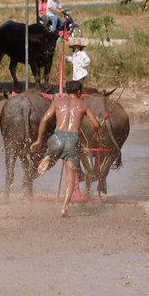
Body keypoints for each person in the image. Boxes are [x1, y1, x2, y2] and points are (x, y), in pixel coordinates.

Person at [30, 81, 100, 217]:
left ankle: (49, 157)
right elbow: (96, 124)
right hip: (72, 141)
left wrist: (39, 140)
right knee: (70, 177)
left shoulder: (57, 103)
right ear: (79, 92)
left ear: (67, 91)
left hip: (56, 138)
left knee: (52, 153)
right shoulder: (83, 106)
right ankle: (64, 208)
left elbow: (44, 120)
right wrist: (97, 131)